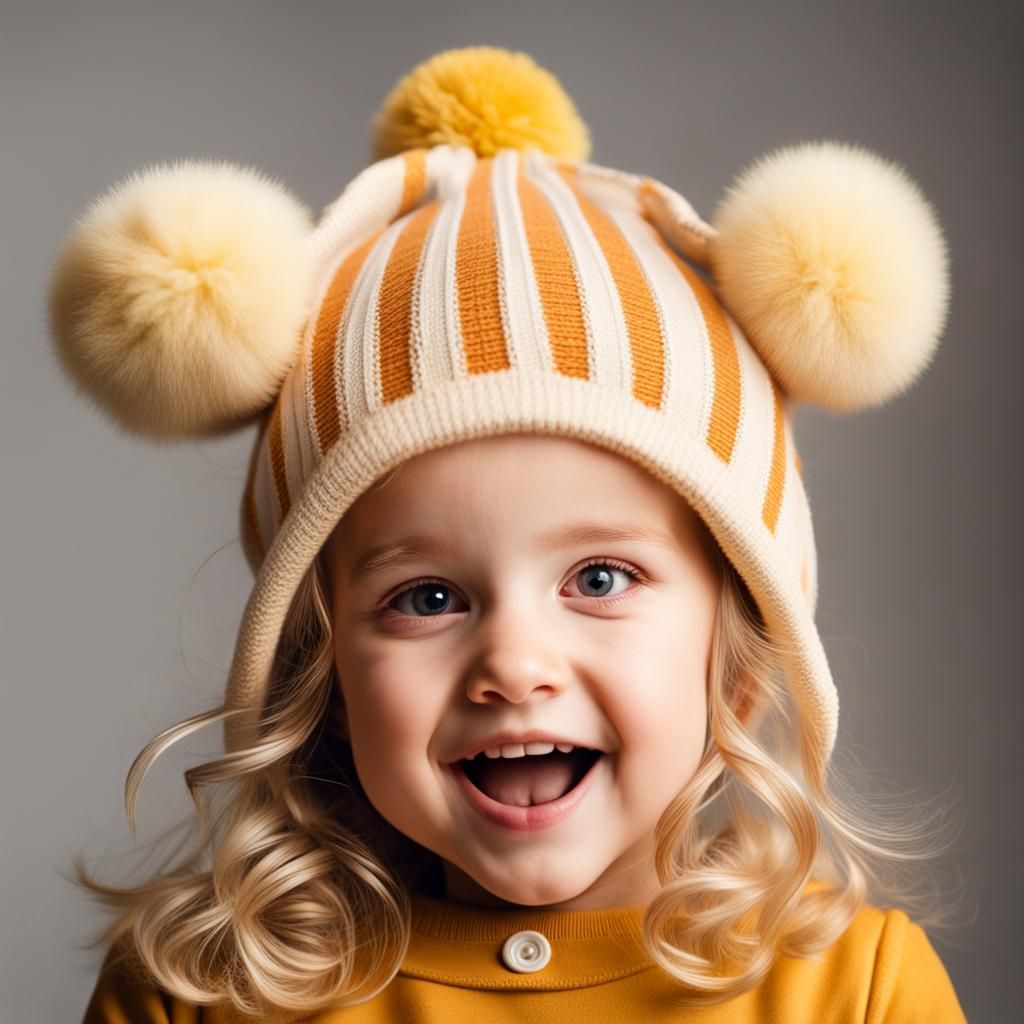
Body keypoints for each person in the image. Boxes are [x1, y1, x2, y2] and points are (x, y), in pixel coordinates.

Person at [48, 45, 967, 1023]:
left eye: (601, 577)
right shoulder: (199, 995)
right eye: (427, 597)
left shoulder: (856, 990)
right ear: (327, 679)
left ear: (736, 657)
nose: (514, 664)